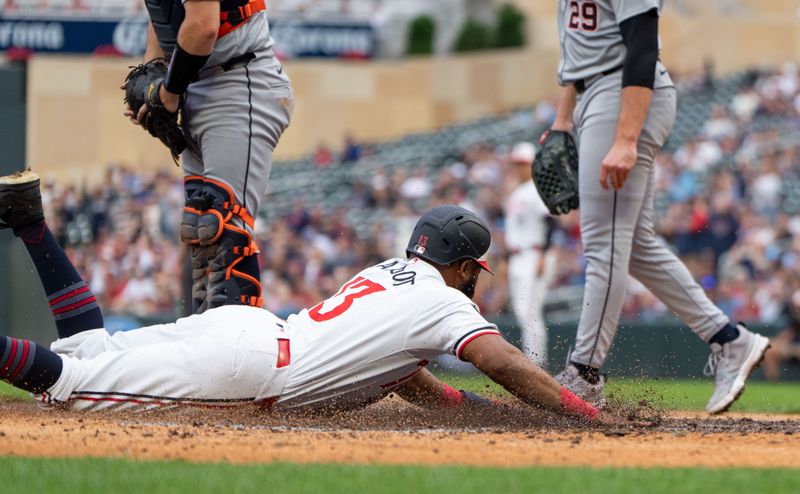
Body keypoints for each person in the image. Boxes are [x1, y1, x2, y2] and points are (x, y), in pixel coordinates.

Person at [0, 171, 602, 421]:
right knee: (70, 389)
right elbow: (502, 361)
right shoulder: (447, 303)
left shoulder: (389, 273)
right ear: (468, 266)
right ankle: (29, 223)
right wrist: (581, 414)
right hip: (249, 370)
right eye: (477, 272)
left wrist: (479, 413)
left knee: (89, 350)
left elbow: (405, 378)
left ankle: (30, 223)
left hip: (245, 333)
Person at [549, 0, 769, 413]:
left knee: (604, 244)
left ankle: (583, 373)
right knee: (634, 246)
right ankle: (729, 340)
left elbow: (643, 46)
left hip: (623, 95)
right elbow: (582, 49)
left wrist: (627, 137)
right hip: (595, 93)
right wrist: (564, 117)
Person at [124, 0, 294, 313]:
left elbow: (203, 27)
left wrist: (168, 92)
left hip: (239, 80)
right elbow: (163, 10)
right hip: (197, 84)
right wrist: (152, 78)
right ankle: (205, 346)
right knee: (202, 235)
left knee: (225, 230)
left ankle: (244, 354)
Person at [504, 142, 554, 365]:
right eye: (516, 163)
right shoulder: (516, 192)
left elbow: (550, 223)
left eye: (522, 163)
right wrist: (506, 260)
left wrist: (544, 254)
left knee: (529, 312)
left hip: (533, 254)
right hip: (517, 255)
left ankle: (536, 364)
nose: (519, 168)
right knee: (522, 311)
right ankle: (533, 362)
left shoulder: (536, 190)